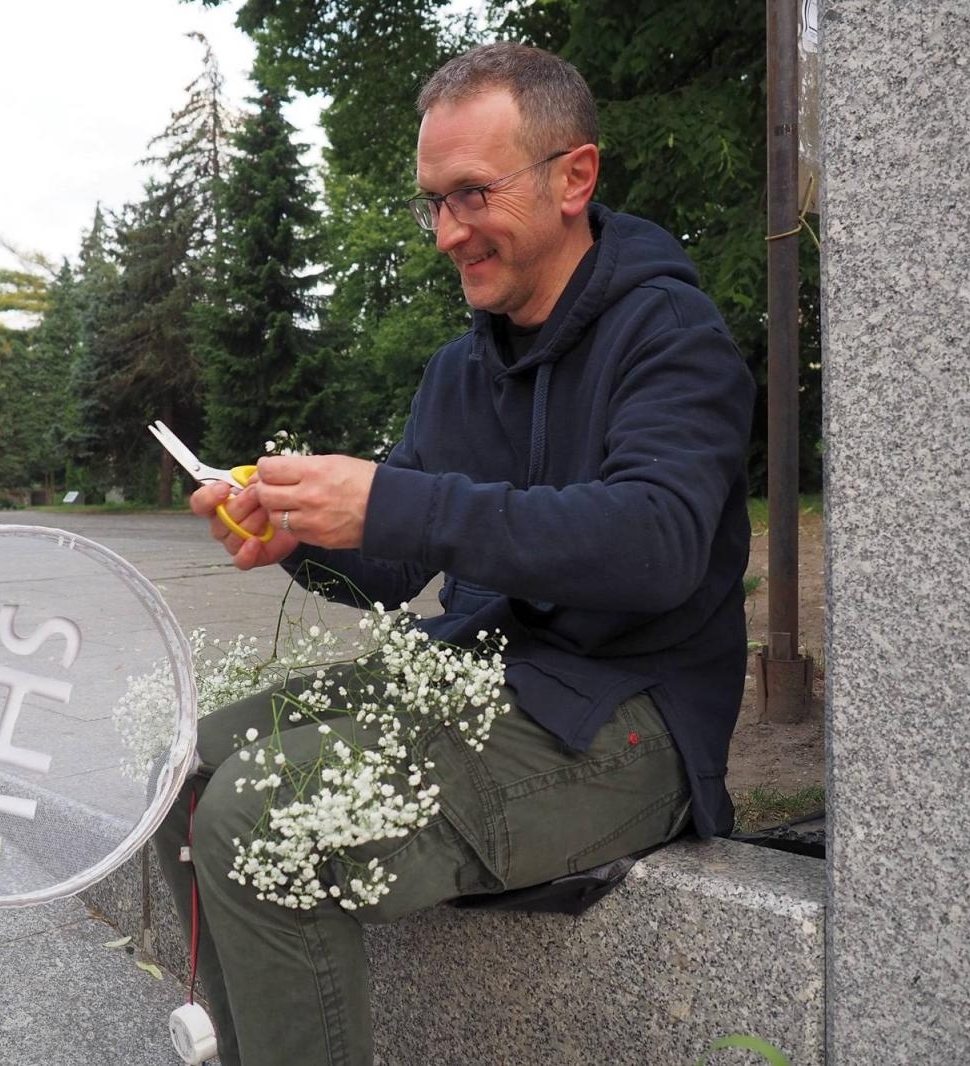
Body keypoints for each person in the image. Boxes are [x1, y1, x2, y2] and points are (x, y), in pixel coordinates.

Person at [154, 41, 755, 1066]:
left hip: (629, 720)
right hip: (481, 679)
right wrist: (296, 538)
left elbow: (654, 546)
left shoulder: (672, 336)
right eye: (433, 202)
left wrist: (398, 499)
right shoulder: (460, 369)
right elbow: (389, 567)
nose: (446, 233)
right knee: (188, 769)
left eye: (471, 194)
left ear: (574, 177)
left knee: (259, 812)